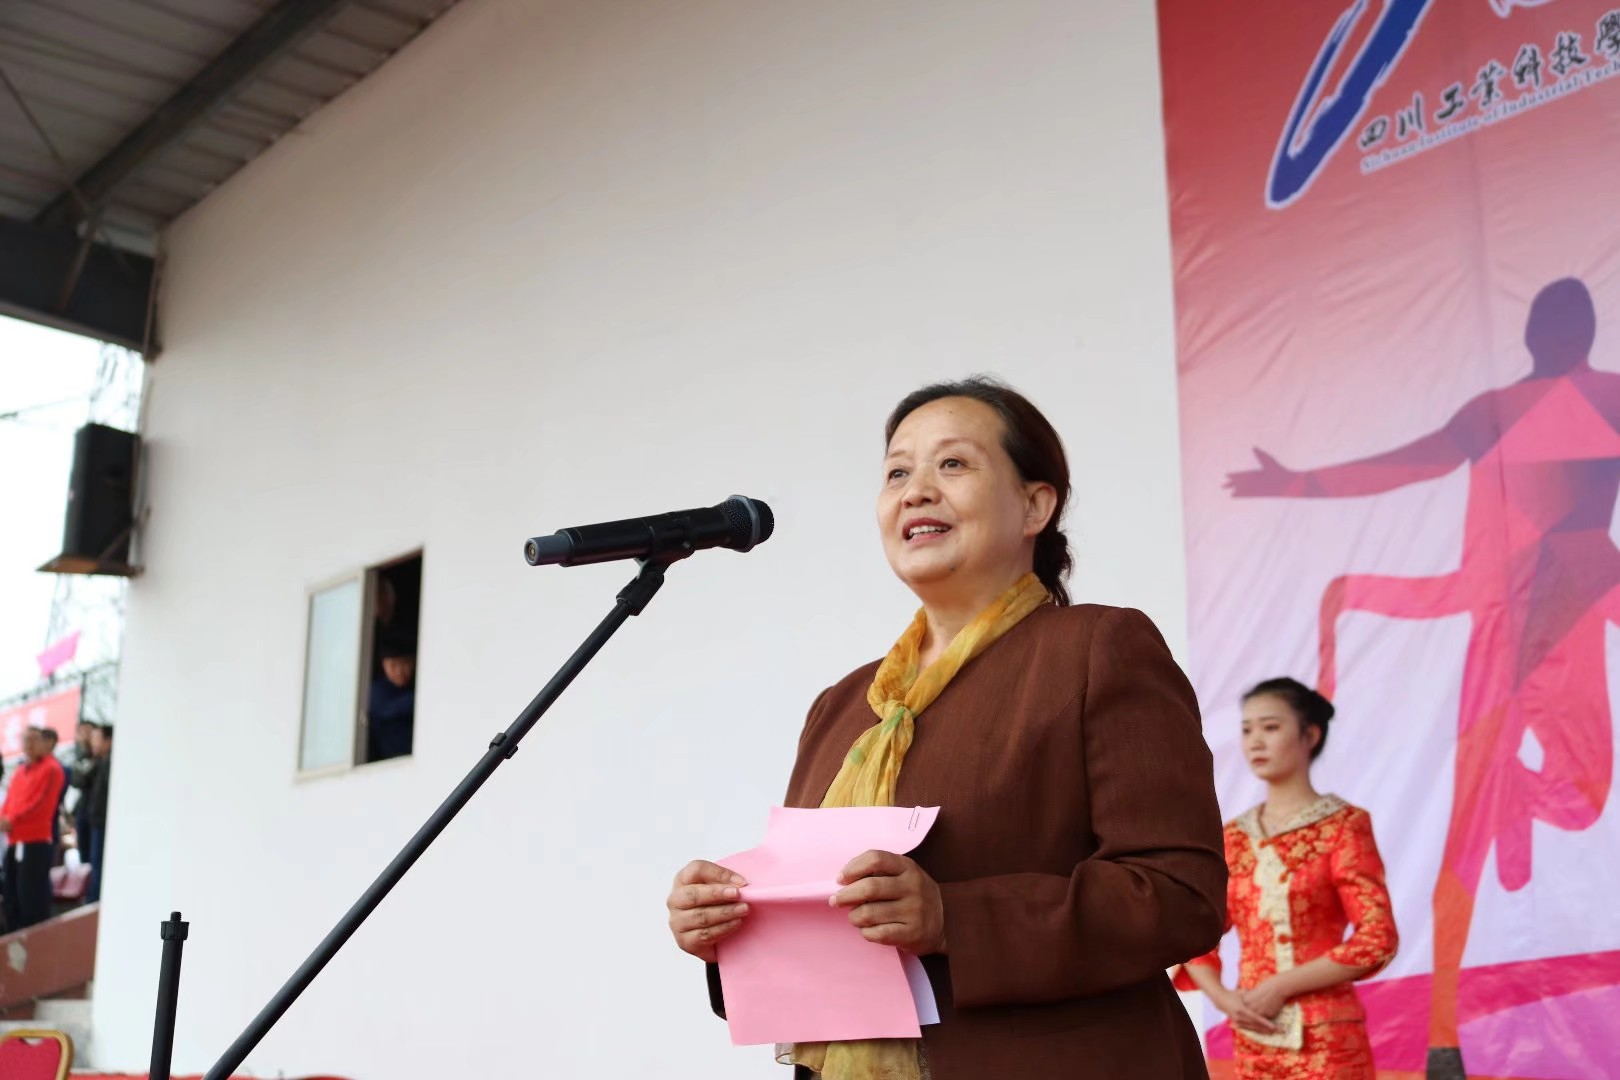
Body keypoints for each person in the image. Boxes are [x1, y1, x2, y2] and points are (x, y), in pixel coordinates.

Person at [666, 377, 1227, 1079]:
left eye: (953, 464)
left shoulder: (1095, 648)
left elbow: (1179, 893)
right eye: (897, 472)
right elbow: (830, 933)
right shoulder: (844, 706)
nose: (916, 492)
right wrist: (732, 926)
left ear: (1035, 505)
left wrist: (951, 917)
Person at [1226, 278, 1614, 1075]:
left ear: (1581, 333)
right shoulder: (1494, 410)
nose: (1555, 338)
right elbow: (1406, 466)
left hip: (1572, 614)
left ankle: (1515, 795)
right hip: (1500, 630)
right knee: (1462, 842)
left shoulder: (1609, 398)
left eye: (1565, 325)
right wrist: (1300, 483)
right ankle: (1443, 1039)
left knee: (1584, 798)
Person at [1176, 678, 1398, 1079]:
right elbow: (1198, 935)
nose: (1255, 742)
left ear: (1309, 735)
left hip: (1327, 1041)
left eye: (1271, 727)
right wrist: (1224, 999)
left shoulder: (1344, 826)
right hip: (1252, 1039)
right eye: (1247, 730)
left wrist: (1281, 986)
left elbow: (1376, 938)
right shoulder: (1233, 838)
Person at [0, 726, 68, 931]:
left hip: (36, 841)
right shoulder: (20, 771)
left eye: (34, 740)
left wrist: (11, 820)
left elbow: (40, 803)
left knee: (31, 898)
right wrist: (4, 818)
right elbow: (10, 800)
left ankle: (35, 940)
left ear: (43, 742)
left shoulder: (52, 769)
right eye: (26, 740)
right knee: (11, 895)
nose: (29, 745)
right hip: (14, 840)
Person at [366, 634, 415, 762]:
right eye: (393, 665)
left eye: (404, 664)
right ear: (384, 665)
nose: (399, 671)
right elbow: (388, 709)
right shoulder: (377, 691)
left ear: (413, 662)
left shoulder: (417, 684)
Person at [85, 723, 112, 903]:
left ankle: (95, 903)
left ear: (109, 741)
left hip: (104, 823)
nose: (92, 743)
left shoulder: (111, 763)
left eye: (96, 738)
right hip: (97, 821)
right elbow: (80, 781)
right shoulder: (98, 762)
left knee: (99, 866)